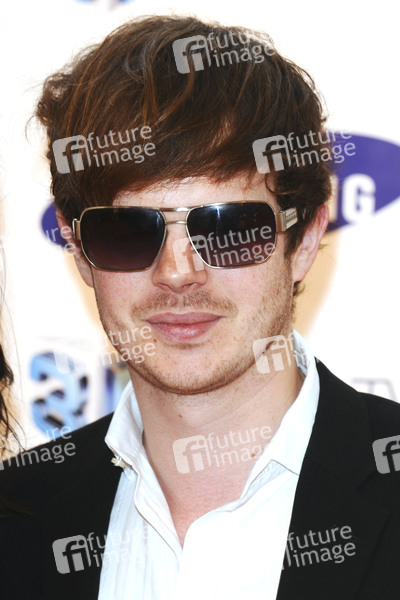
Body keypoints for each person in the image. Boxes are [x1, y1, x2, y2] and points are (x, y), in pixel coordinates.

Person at [1, 14, 400, 600]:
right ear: (79, 249)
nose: (178, 273)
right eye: (129, 231)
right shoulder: (17, 513)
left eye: (227, 228)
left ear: (304, 240)